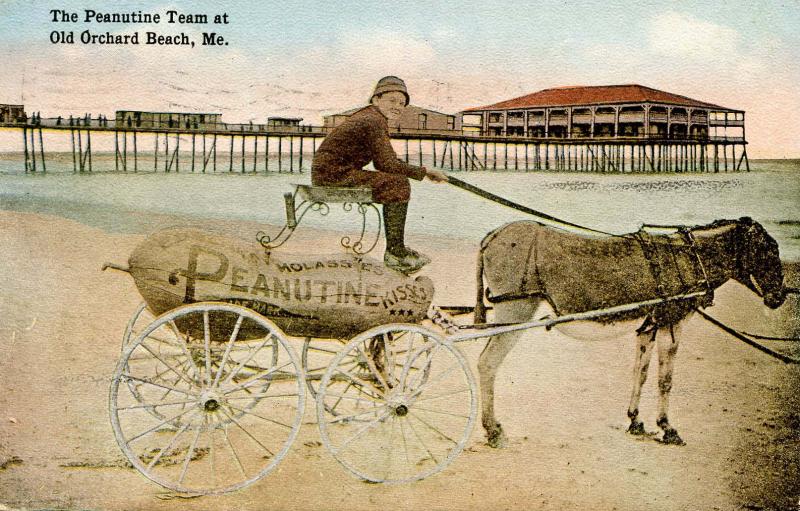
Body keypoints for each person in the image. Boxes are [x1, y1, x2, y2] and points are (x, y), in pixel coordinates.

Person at [311, 76, 447, 273]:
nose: (398, 107)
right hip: (333, 176)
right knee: (398, 184)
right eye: (392, 100)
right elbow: (386, 163)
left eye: (402, 103)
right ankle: (395, 253)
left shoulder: (371, 117)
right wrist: (425, 172)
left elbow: (384, 162)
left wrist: (420, 172)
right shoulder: (373, 120)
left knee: (395, 182)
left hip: (331, 173)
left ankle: (396, 248)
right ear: (376, 99)